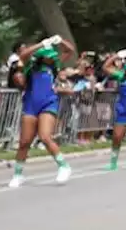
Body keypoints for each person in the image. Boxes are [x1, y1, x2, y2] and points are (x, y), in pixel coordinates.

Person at [7, 36, 75, 188]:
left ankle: (63, 166)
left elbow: (70, 50)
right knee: (24, 142)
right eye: (47, 57)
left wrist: (60, 41)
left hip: (48, 103)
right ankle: (18, 174)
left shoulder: (55, 65)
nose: (50, 59)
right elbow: (22, 55)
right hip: (30, 104)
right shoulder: (29, 66)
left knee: (45, 136)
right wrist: (40, 45)